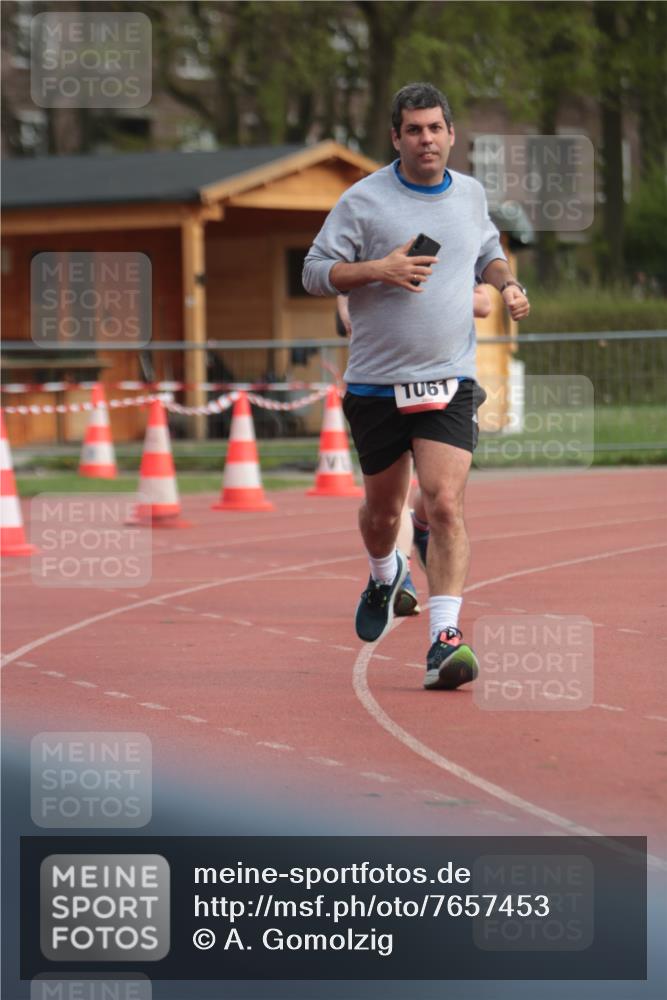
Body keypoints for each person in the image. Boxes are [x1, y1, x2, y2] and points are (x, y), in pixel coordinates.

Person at [303, 82, 529, 691]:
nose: (426, 139)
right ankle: (385, 573)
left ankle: (444, 638)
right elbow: (314, 272)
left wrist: (505, 282)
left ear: (451, 135)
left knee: (446, 504)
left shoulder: (472, 194)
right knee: (382, 513)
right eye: (413, 130)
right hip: (377, 386)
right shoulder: (363, 201)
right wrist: (379, 269)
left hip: (449, 380)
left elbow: (488, 248)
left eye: (435, 128)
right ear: (395, 137)